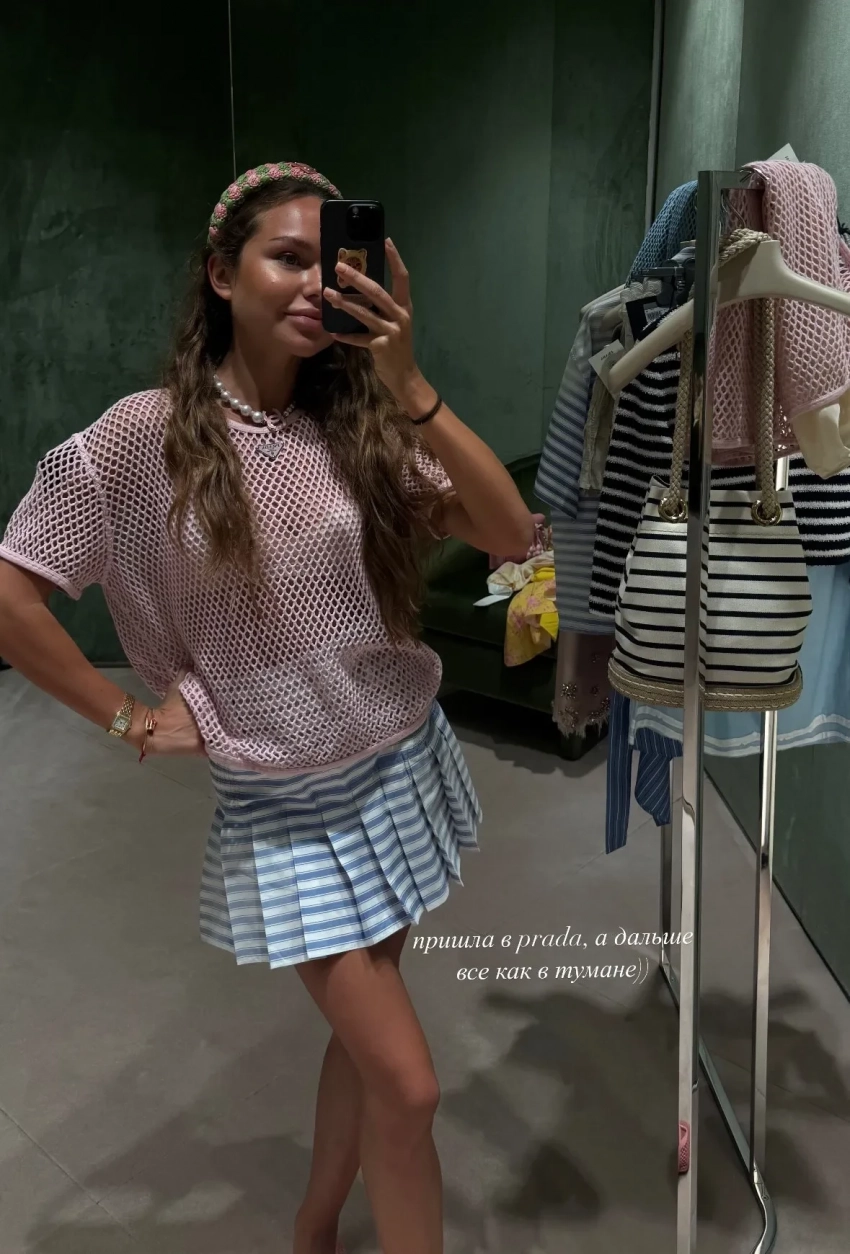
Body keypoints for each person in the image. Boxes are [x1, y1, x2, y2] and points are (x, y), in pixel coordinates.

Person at [0, 160, 535, 1254]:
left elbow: (508, 532)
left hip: (398, 763)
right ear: (220, 274)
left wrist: (407, 378)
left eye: (329, 263)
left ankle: (312, 1228)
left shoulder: (361, 421)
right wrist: (123, 716)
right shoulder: (141, 439)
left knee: (371, 1052)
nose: (311, 284)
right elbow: (13, 594)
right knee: (411, 1085)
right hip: (286, 808)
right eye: (285, 258)